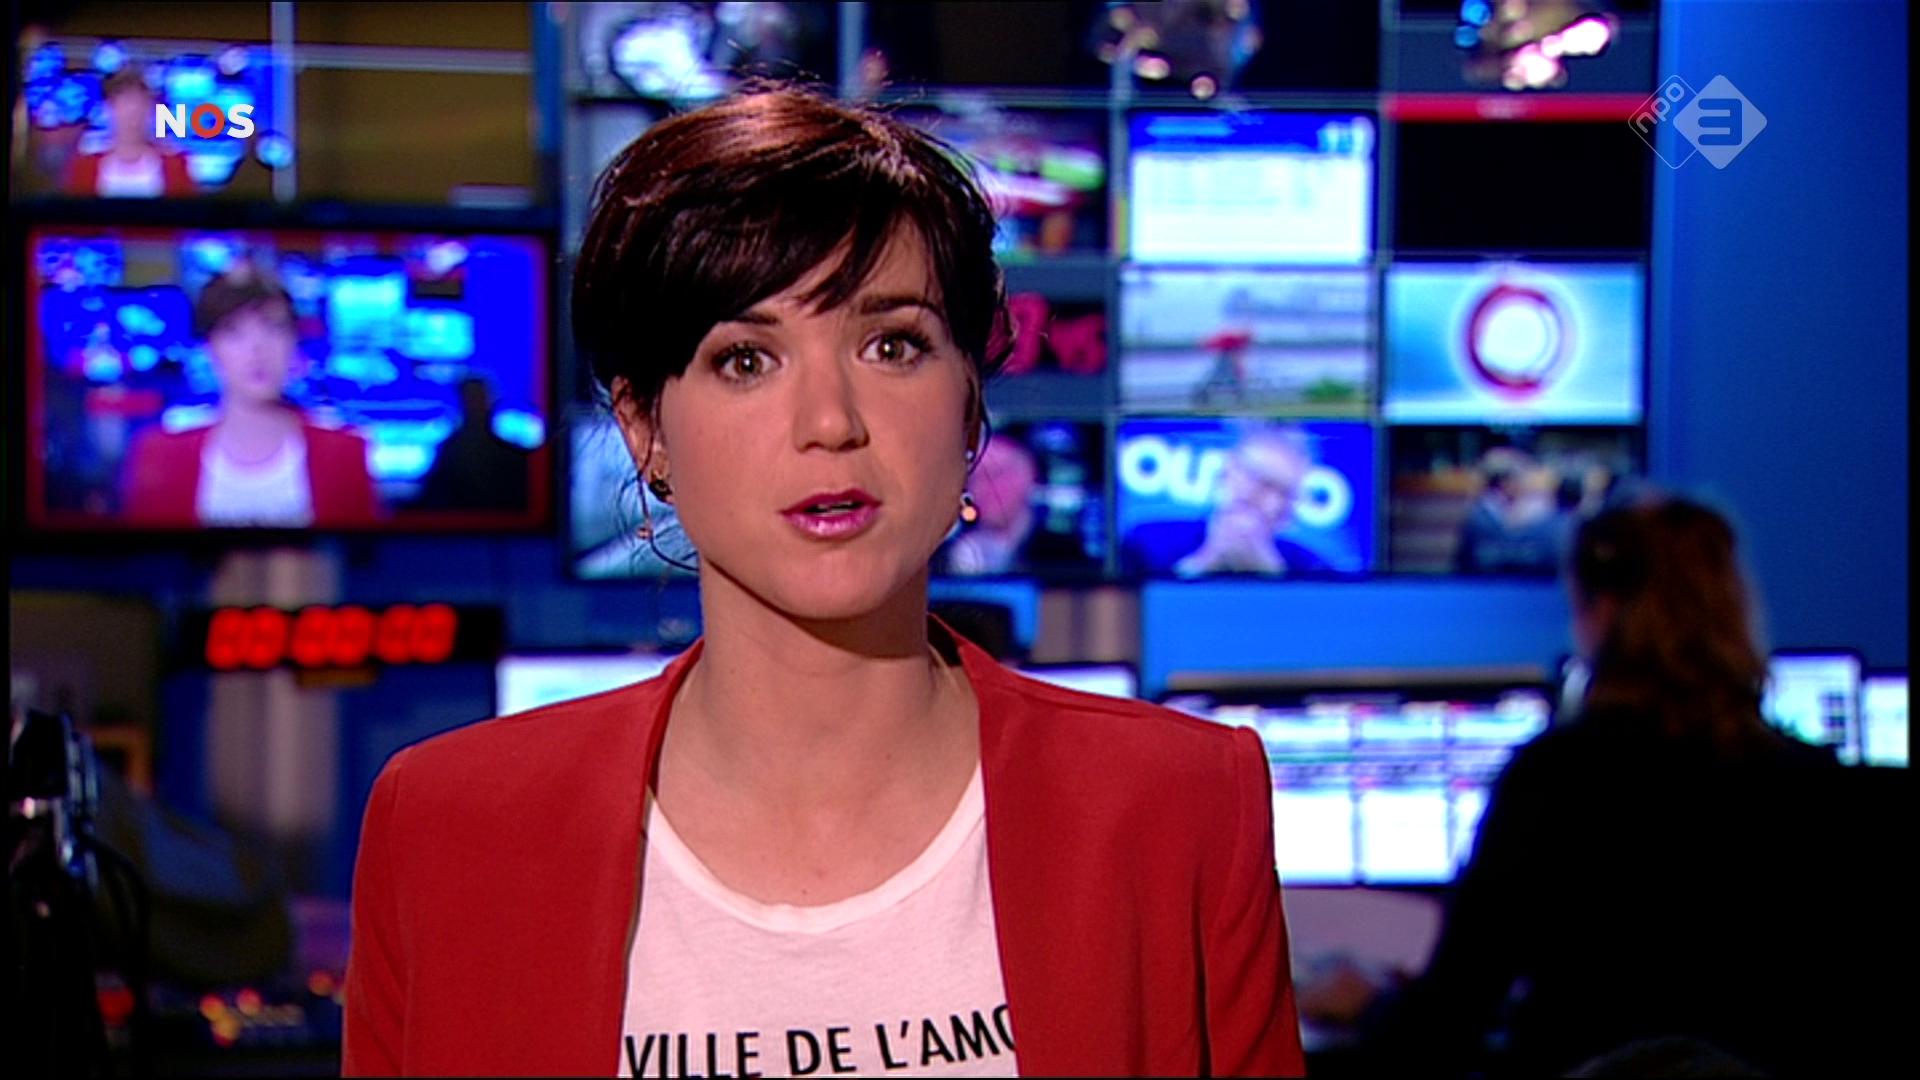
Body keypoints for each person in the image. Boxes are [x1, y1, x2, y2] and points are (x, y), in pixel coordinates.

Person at [343, 84, 1304, 1077]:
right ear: (646, 429)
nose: (831, 421)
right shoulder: (451, 831)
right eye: (746, 360)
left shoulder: (1178, 807)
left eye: (893, 345)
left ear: (968, 402)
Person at [1298, 495, 1897, 1076]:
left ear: (1602, 613)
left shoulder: (1556, 780)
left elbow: (1447, 1025)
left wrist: (1368, 1003)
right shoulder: (1821, 788)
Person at [120, 264, 378, 528]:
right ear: (210, 349)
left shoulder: (344, 454)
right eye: (234, 332)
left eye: (273, 328)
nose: (257, 349)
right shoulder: (161, 457)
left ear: (294, 343)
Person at [1122, 424, 1333, 577]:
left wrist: (1272, 573)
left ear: (1287, 510)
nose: (1255, 493)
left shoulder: (1311, 567)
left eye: (1274, 487)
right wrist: (1205, 560)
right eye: (1251, 475)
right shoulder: (1147, 541)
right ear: (1227, 471)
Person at [64, 63, 196, 199]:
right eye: (124, 105)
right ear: (109, 109)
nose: (132, 115)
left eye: (139, 105)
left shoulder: (175, 166)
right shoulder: (85, 168)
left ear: (150, 111)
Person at [412, 375, 532, 513]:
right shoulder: (450, 451)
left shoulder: (512, 453)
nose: (475, 404)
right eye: (470, 398)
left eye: (479, 398)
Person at [938, 433, 1039, 575]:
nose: (983, 489)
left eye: (996, 475)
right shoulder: (948, 553)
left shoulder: (1058, 549)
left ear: (1027, 477)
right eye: (975, 479)